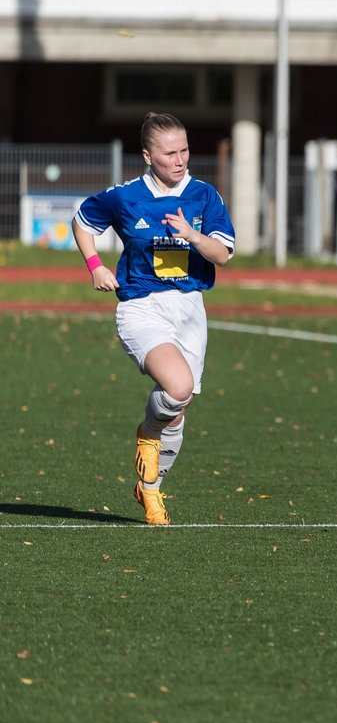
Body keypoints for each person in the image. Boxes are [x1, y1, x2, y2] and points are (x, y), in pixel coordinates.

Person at [72, 113, 236, 525]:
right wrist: (95, 265)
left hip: (189, 310)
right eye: (169, 153)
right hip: (141, 306)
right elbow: (81, 220)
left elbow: (223, 254)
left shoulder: (203, 195)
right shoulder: (125, 197)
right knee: (176, 386)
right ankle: (147, 433)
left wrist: (192, 236)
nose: (179, 160)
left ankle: (150, 490)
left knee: (179, 407)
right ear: (148, 156)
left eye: (184, 150)